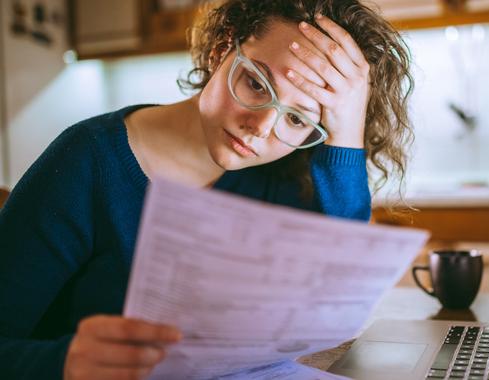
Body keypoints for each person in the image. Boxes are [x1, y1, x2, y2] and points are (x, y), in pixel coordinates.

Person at [0, 0, 414, 379]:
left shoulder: (285, 177)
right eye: (255, 83)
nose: (260, 128)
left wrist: (345, 134)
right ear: (221, 51)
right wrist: (63, 362)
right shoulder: (87, 160)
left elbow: (338, 288)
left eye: (296, 120)